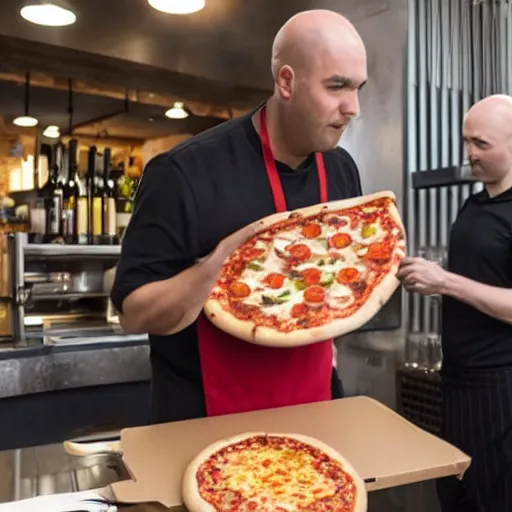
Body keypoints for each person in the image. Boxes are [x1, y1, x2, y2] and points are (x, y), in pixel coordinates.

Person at [111, 9, 368, 424]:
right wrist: (220, 264)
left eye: (358, 88)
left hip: (313, 407)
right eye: (336, 86)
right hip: (206, 420)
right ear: (286, 81)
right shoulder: (183, 173)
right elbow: (133, 313)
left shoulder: (342, 169)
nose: (352, 107)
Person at [398, 94, 512, 512]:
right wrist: (431, 275)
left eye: (481, 144)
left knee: (491, 500)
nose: (469, 153)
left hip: (500, 384)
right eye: (466, 141)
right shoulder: (476, 202)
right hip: (458, 379)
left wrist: (445, 281)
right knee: (455, 495)